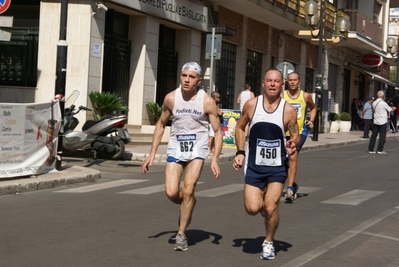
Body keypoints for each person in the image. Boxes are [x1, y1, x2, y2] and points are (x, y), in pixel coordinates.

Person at [142, 62, 223, 251]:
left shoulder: (207, 101)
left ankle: (181, 234)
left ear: (199, 80)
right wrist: (152, 154)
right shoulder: (171, 98)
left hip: (197, 148)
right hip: (177, 147)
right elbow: (161, 124)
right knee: (171, 192)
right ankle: (189, 202)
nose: (187, 80)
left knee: (188, 188)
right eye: (184, 75)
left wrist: (215, 159)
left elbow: (218, 132)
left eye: (191, 77)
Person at [232, 68, 300, 260]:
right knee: (252, 209)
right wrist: (240, 152)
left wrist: (292, 142)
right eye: (269, 81)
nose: (272, 84)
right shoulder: (252, 105)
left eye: (276, 81)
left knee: (271, 206)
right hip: (254, 165)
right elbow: (239, 127)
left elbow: (294, 133)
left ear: (282, 85)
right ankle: (263, 208)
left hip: (277, 166)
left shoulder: (288, 110)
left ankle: (269, 241)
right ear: (263, 83)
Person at [282, 72, 316, 201]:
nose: (292, 82)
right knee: (282, 161)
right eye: (290, 80)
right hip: (284, 131)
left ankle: (290, 189)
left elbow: (313, 108)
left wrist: (311, 120)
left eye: (295, 80)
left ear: (299, 82)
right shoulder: (282, 95)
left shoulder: (305, 96)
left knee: (292, 156)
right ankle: (293, 184)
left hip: (300, 131)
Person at [368, 90, 396, 154]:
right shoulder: (383, 103)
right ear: (382, 96)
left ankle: (371, 149)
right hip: (382, 121)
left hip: (375, 120)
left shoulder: (374, 103)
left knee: (373, 135)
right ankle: (379, 149)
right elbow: (390, 110)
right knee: (382, 136)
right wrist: (394, 108)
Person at [208, 91, 223, 156]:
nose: (219, 99)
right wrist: (220, 113)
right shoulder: (213, 104)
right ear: (215, 98)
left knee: (213, 136)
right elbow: (217, 112)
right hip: (212, 122)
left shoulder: (214, 104)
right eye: (218, 97)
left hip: (213, 122)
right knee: (211, 137)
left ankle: (213, 149)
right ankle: (209, 150)